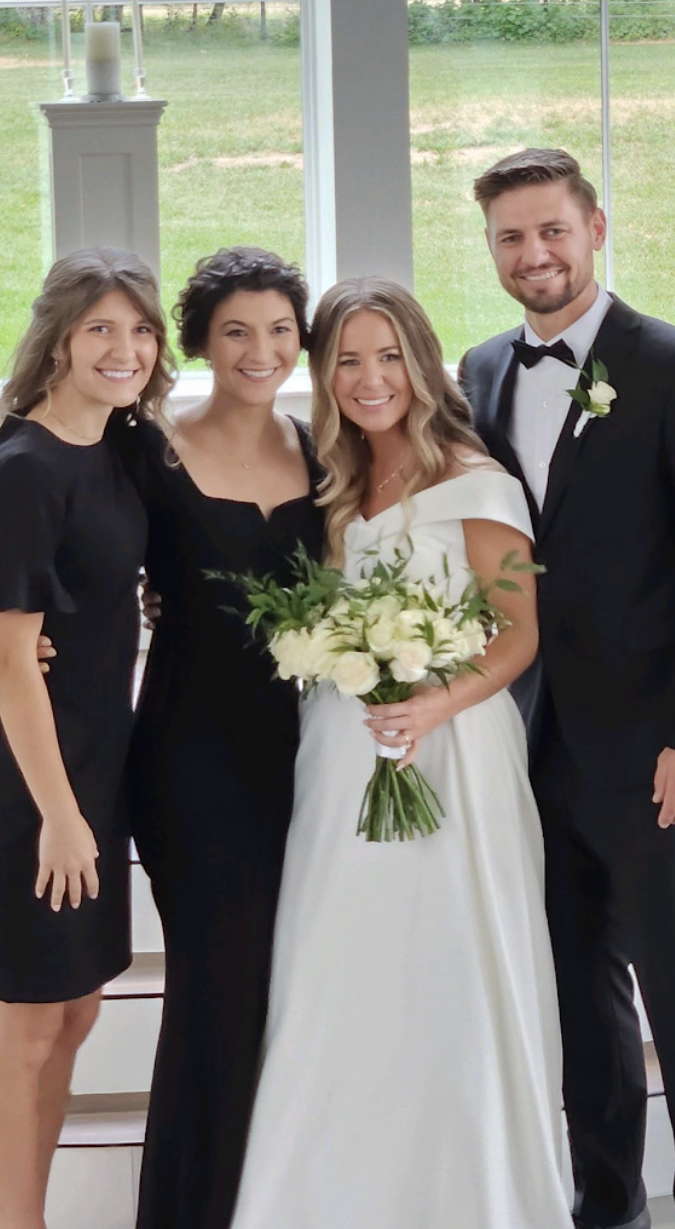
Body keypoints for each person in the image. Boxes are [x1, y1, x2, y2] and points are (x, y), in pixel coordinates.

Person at [229, 278, 573, 1229]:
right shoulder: (333, 485)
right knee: (339, 963)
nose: (369, 378)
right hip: (343, 757)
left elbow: (517, 633)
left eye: (388, 356)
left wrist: (432, 707)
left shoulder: (476, 478)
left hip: (454, 755)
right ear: (324, 373)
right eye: (347, 359)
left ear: (420, 364)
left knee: (451, 961)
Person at [459, 147, 675, 1229]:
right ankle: (609, 1209)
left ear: (596, 226)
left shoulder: (668, 363)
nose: (533, 254)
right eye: (509, 236)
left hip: (650, 748)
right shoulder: (481, 369)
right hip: (527, 741)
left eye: (551, 229)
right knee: (578, 999)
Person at [107, 247, 326, 1229]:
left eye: (280, 329)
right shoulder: (147, 452)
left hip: (307, 762)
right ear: (197, 340)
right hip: (191, 763)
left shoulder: (327, 449)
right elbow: (77, 562)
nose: (261, 349)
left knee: (292, 991)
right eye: (236, 329)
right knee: (216, 986)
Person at [0, 247, 174, 1229]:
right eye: (100, 328)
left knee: (76, 1010)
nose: (123, 348)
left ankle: (19, 1213)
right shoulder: (25, 467)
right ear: (57, 339)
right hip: (34, 780)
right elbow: (11, 662)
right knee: (23, 1018)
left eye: (138, 329)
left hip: (98, 760)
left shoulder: (118, 443)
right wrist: (59, 815)